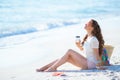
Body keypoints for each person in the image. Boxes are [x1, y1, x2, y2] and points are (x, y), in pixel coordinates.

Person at [36, 19, 105, 72]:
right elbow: (87, 51)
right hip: (86, 62)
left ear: (92, 27)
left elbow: (96, 55)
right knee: (63, 58)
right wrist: (79, 46)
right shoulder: (88, 37)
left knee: (69, 51)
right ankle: (43, 68)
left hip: (91, 64)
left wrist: (100, 66)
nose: (85, 24)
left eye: (87, 23)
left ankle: (53, 68)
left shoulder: (94, 39)